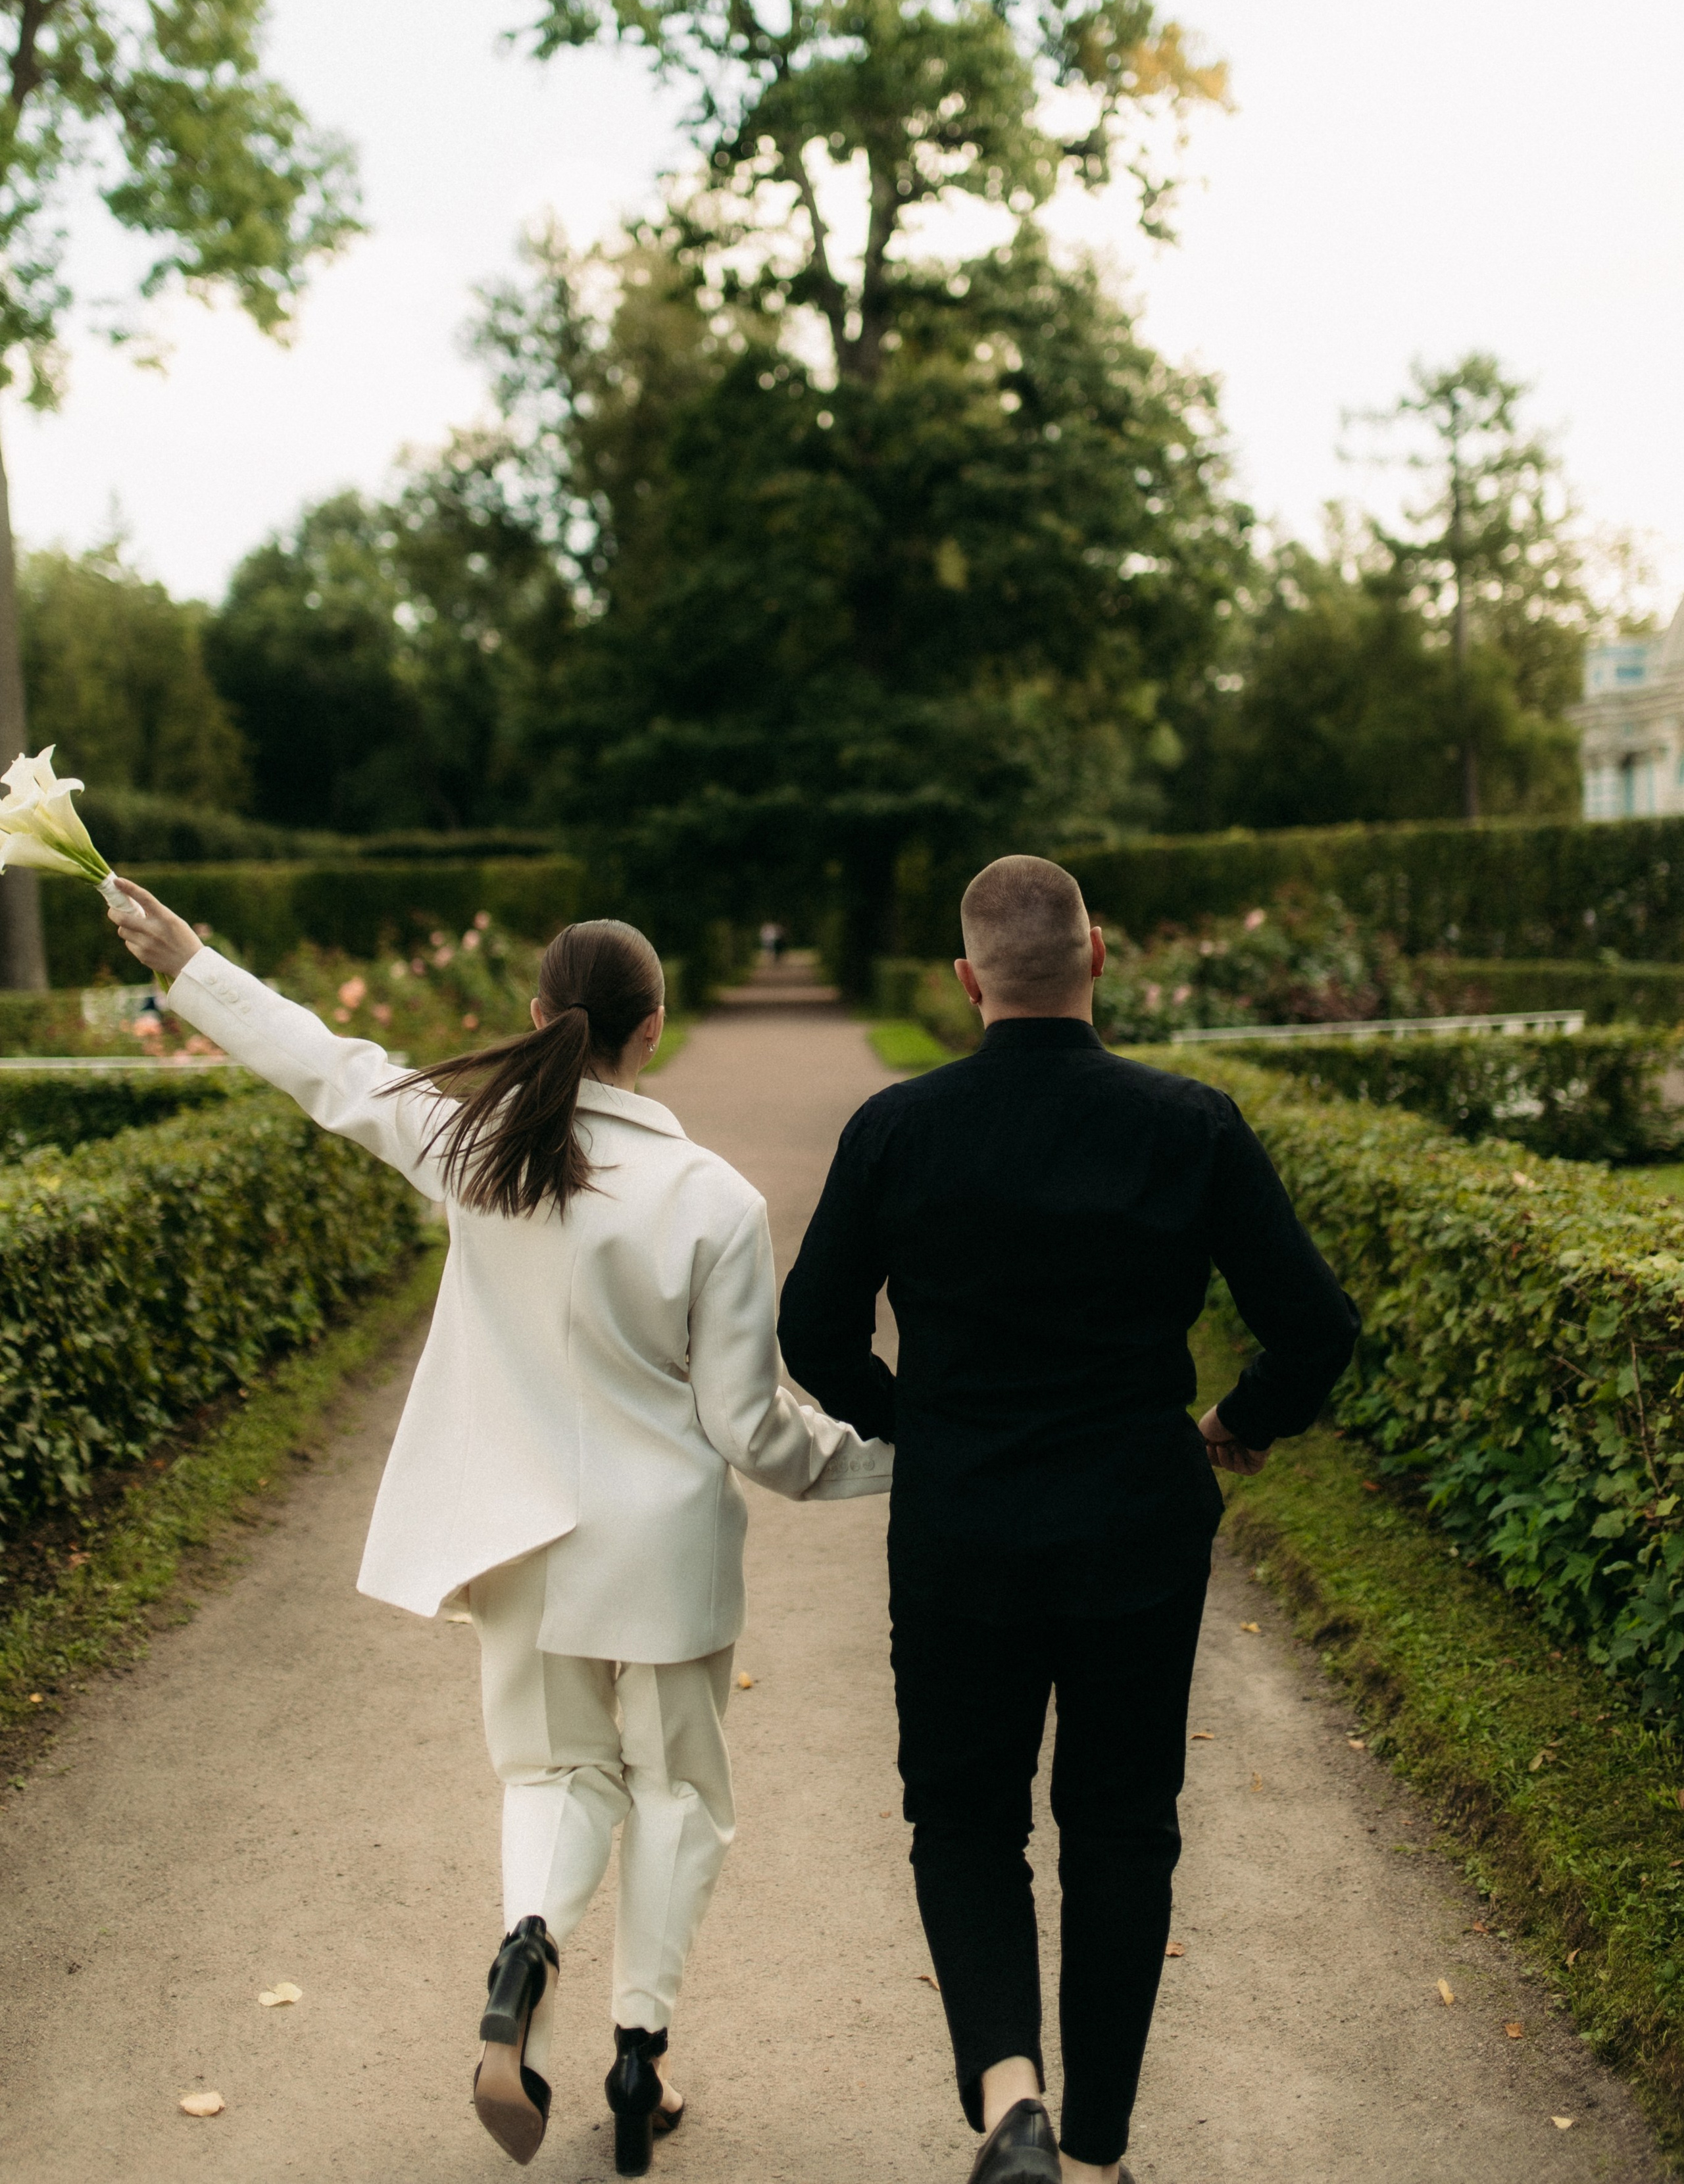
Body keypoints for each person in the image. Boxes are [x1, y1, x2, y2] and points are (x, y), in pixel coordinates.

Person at [109, 885, 893, 2176]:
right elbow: (754, 1431)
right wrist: (885, 1463)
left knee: (551, 1776)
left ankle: (525, 1945)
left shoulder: (479, 1149)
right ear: (650, 1033)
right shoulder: (713, 1199)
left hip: (521, 1542)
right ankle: (639, 2048)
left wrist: (189, 962)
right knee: (678, 1795)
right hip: (667, 1555)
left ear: (537, 1019)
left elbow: (332, 1068)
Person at [778, 855, 1359, 2184]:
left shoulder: (897, 1129)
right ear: (1097, 960)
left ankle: (1008, 2101)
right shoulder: (1189, 1122)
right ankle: (1094, 2155)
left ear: (967, 980)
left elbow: (811, 1329)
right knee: (1119, 1822)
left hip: (960, 1530)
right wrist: (1240, 1421)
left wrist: (915, 1424)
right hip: (1136, 1525)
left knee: (964, 1817)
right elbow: (1315, 1322)